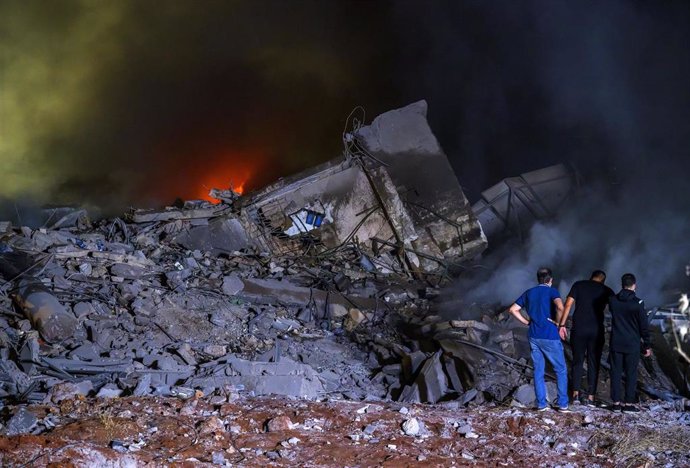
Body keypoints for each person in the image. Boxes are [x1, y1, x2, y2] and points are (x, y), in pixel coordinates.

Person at [508, 267, 570, 412]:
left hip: (534, 336)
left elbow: (512, 310)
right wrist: (560, 324)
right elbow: (561, 307)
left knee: (538, 370)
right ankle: (562, 404)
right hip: (550, 336)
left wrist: (526, 322)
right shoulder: (552, 291)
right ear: (550, 280)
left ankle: (541, 404)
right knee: (560, 370)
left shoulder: (529, 292)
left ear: (538, 279)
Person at [558, 270, 614, 407]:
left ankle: (576, 395)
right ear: (603, 280)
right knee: (593, 363)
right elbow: (615, 308)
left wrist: (562, 325)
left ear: (590, 277)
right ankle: (591, 398)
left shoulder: (579, 285)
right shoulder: (607, 290)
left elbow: (568, 305)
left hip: (579, 329)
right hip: (596, 331)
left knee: (577, 361)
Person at [608, 273, 652, 413]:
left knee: (615, 373)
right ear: (634, 285)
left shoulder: (613, 301)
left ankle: (615, 403)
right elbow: (643, 326)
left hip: (616, 342)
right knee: (631, 374)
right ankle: (628, 404)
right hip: (632, 344)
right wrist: (647, 345)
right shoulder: (638, 303)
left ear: (622, 285)